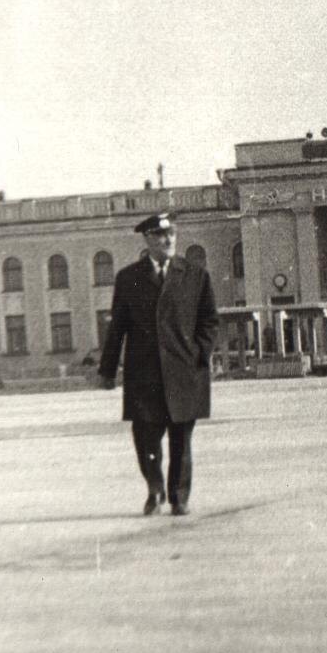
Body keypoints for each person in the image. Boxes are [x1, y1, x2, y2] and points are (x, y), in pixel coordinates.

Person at [99, 212, 218, 516]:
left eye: (172, 234)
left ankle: (179, 497)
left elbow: (209, 322)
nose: (168, 240)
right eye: (160, 235)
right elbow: (118, 329)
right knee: (145, 440)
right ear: (148, 240)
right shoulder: (128, 278)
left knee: (181, 440)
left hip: (183, 372)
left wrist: (199, 356)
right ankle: (155, 489)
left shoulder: (195, 275)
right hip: (144, 375)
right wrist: (108, 370)